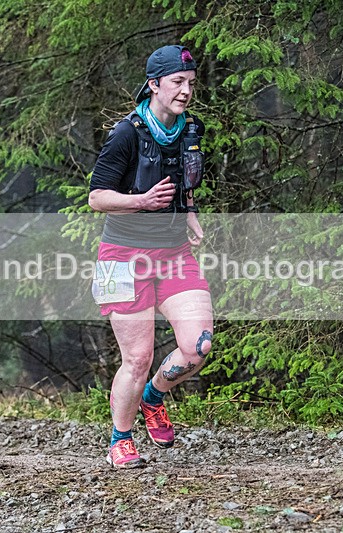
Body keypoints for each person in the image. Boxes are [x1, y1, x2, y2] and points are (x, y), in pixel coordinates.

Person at [88, 44, 213, 468]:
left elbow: (185, 181)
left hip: (174, 251)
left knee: (198, 346)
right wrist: (140, 202)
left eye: (190, 83)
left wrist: (190, 213)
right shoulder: (126, 133)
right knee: (137, 358)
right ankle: (119, 439)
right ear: (154, 84)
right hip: (123, 256)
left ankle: (154, 396)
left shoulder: (190, 129)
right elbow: (97, 198)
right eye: (177, 83)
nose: (185, 91)